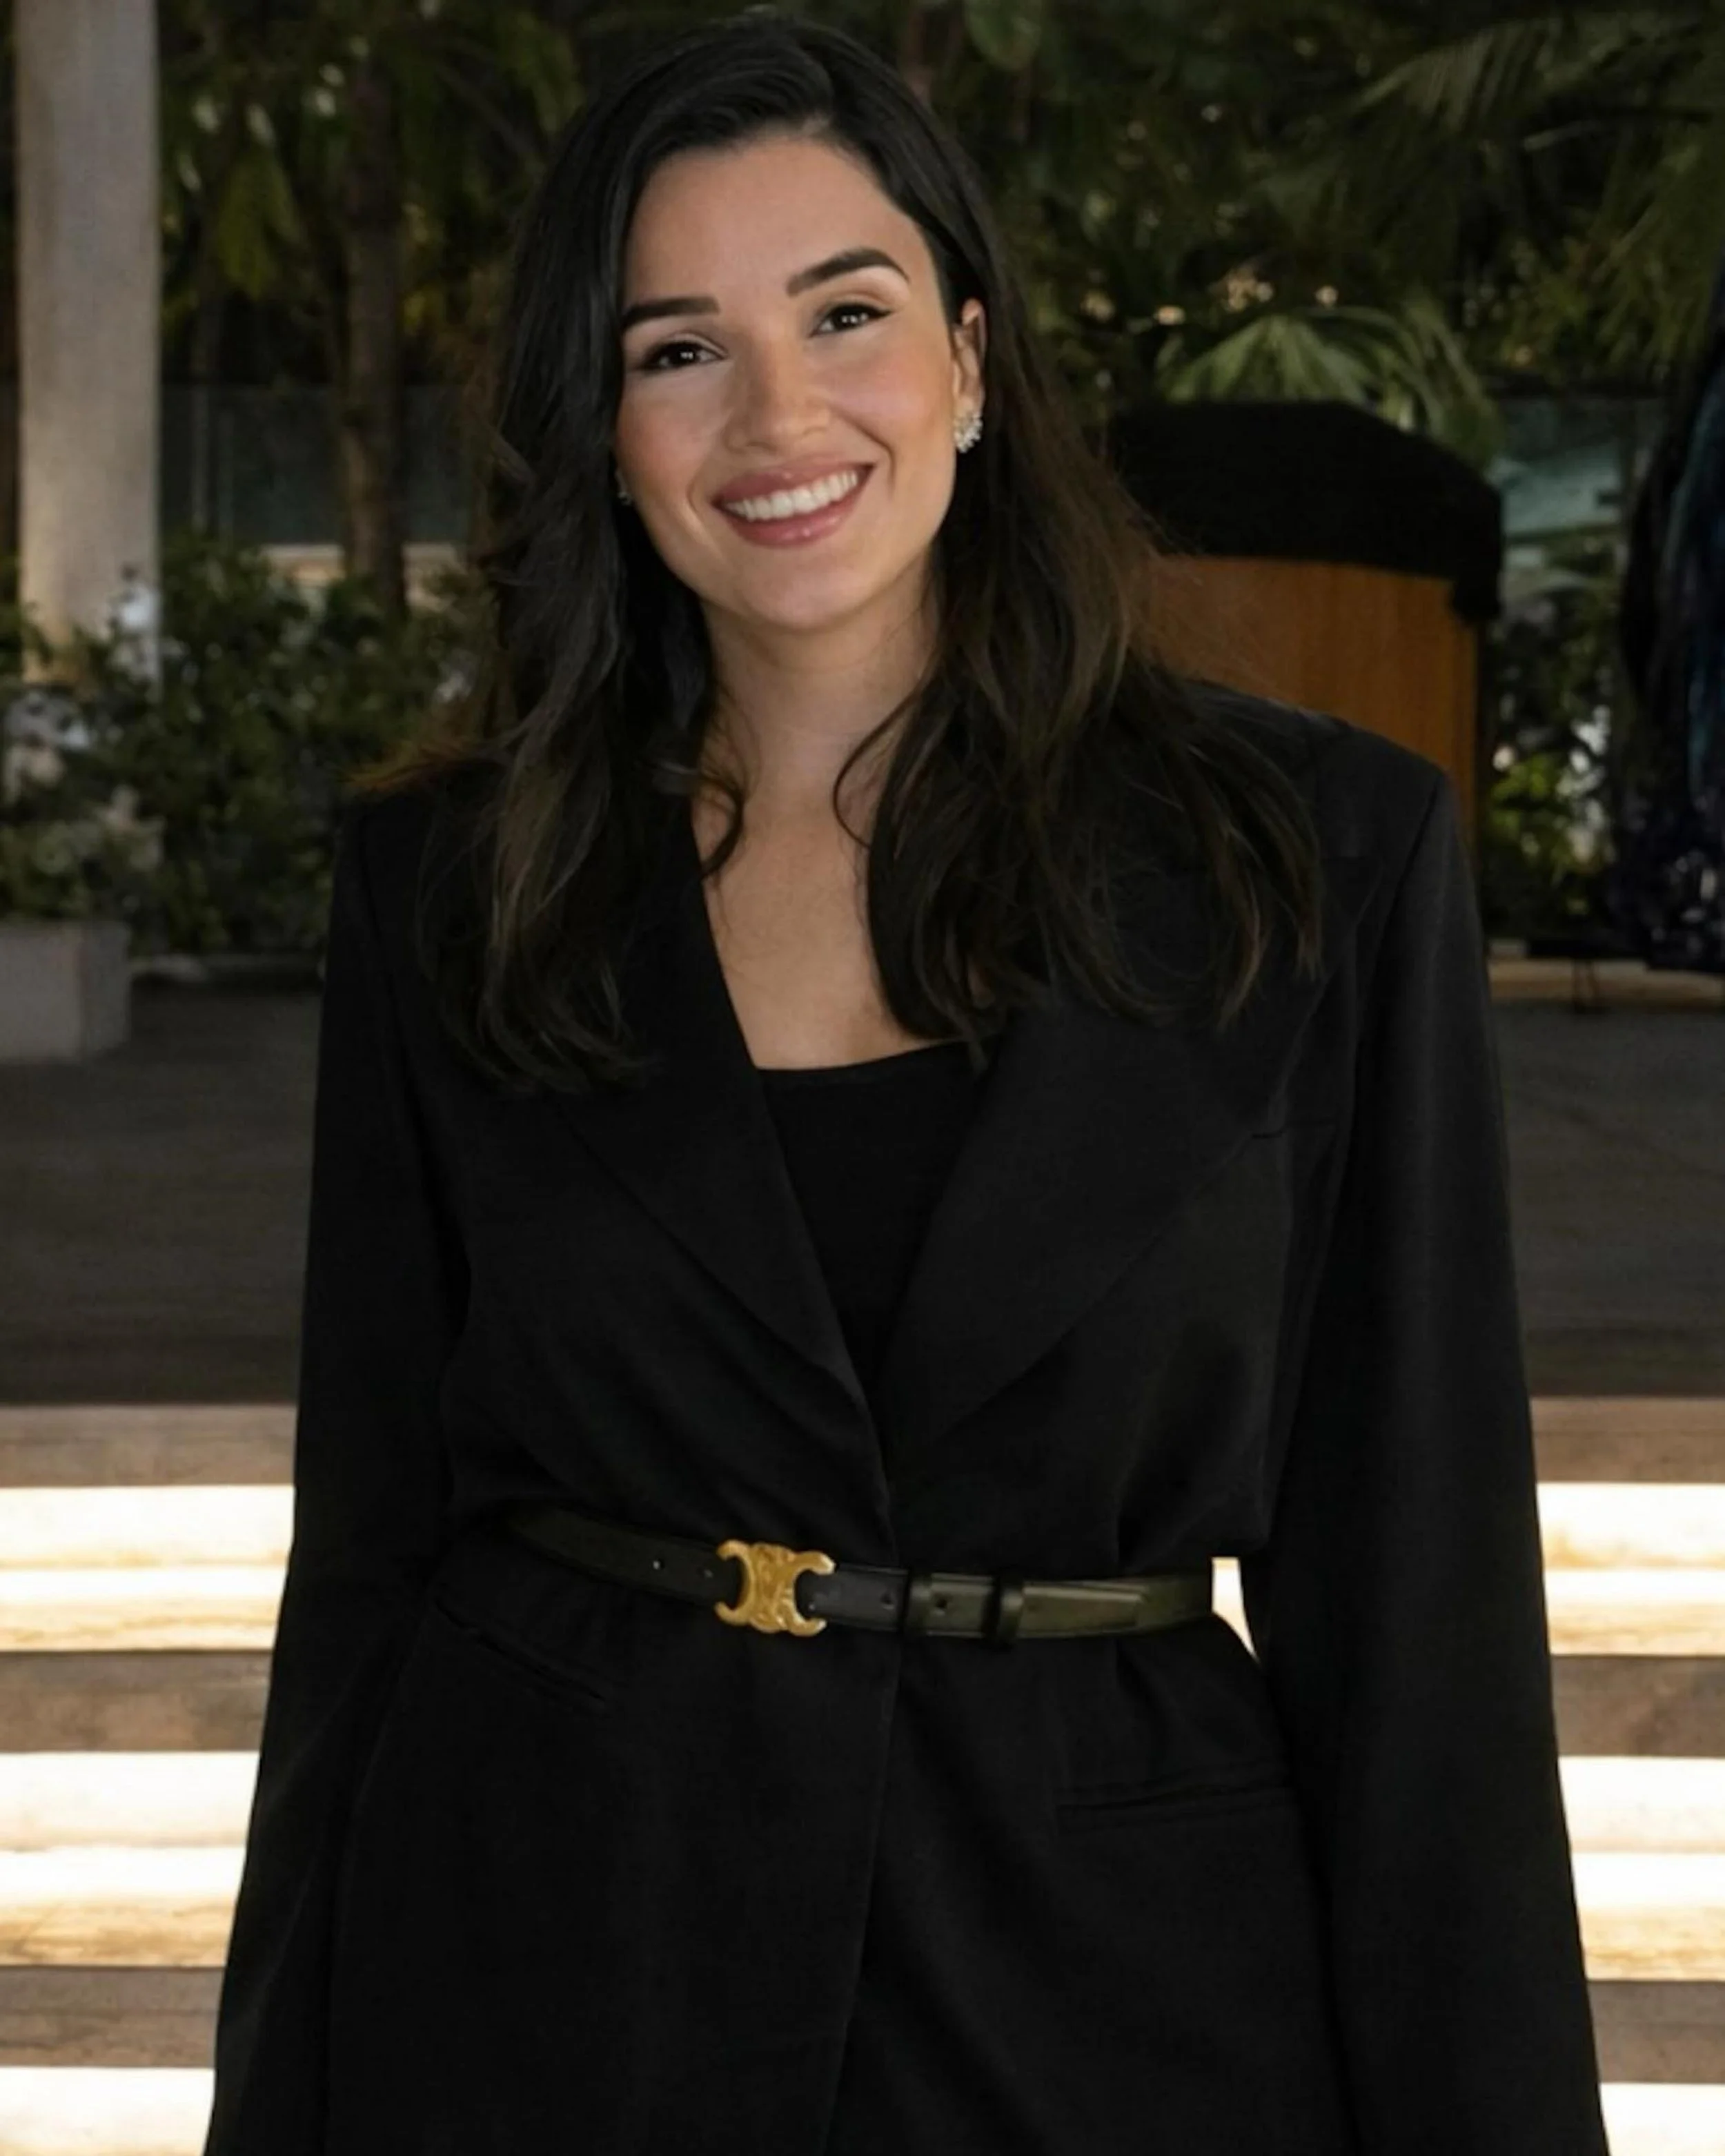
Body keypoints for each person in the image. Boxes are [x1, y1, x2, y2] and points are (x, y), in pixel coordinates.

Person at [201, 13, 1609, 2154]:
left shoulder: (1315, 858)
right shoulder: (457, 883)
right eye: (676, 348)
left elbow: (1423, 1622)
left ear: (964, 357)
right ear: (601, 428)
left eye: (842, 314)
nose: (777, 415)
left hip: (1120, 1992)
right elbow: (369, 1553)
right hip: (546, 1965)